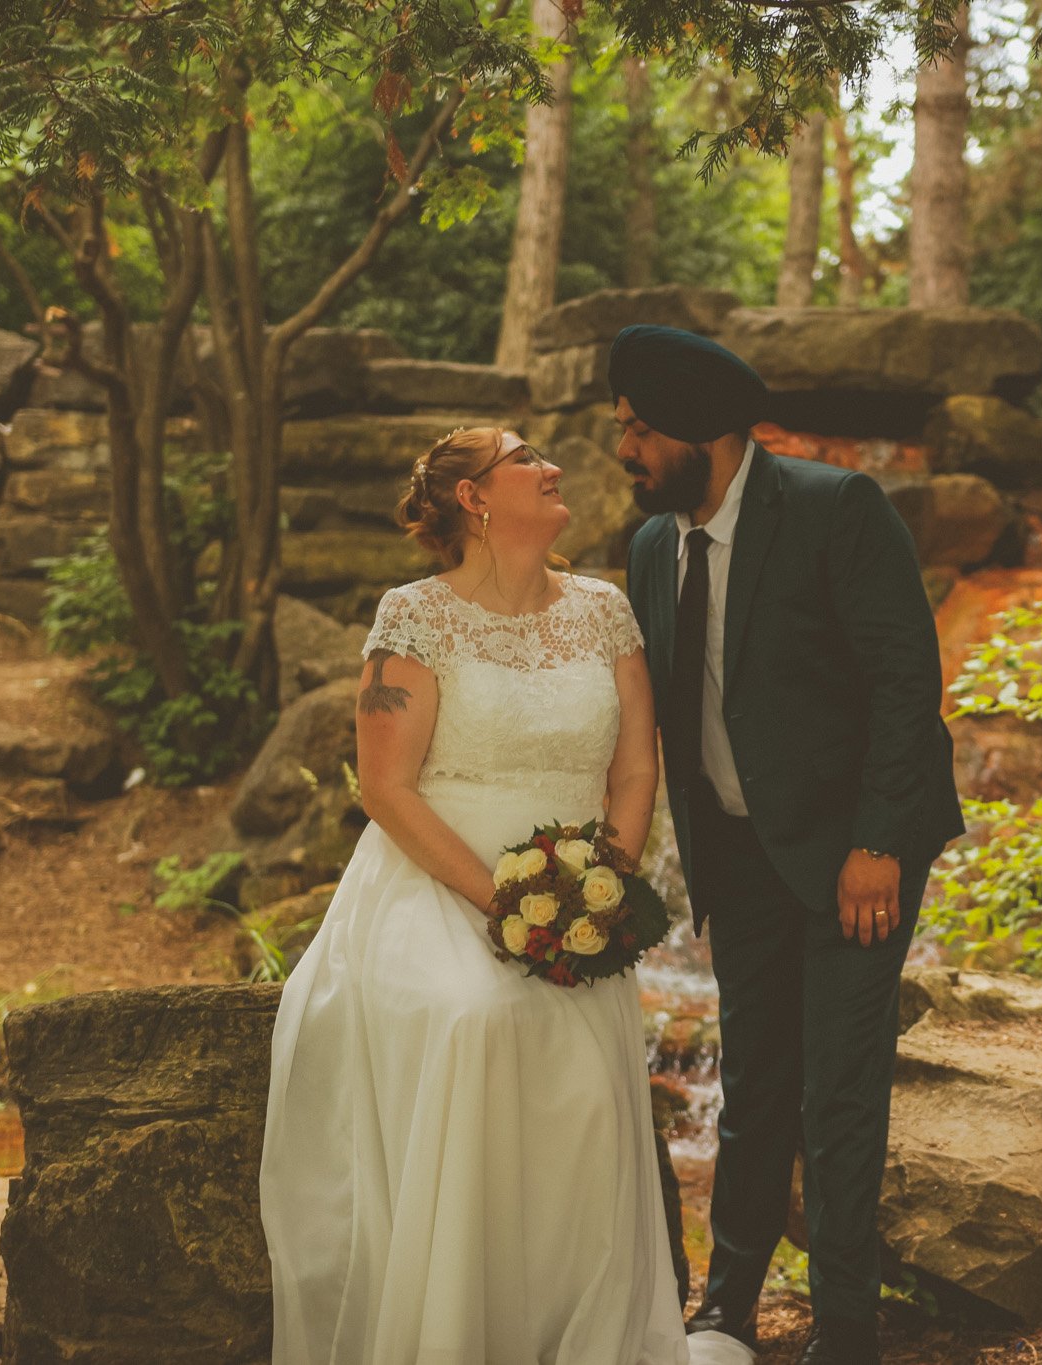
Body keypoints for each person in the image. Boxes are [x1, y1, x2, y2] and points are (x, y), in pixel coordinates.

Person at [259, 427, 689, 1365]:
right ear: (474, 497)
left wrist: (598, 893)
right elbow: (386, 789)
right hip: (435, 883)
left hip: (577, 900)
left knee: (584, 1062)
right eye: (525, 457)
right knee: (475, 1016)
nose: (552, 466)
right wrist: (505, 903)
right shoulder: (414, 615)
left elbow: (634, 765)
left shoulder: (605, 611)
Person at [615, 326, 965, 1365]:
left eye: (639, 430)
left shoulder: (834, 507)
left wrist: (877, 844)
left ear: (701, 431)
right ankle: (727, 1313)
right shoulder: (650, 547)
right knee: (756, 1084)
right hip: (737, 858)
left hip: (857, 856)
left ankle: (844, 1330)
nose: (625, 451)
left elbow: (905, 681)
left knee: (838, 1091)